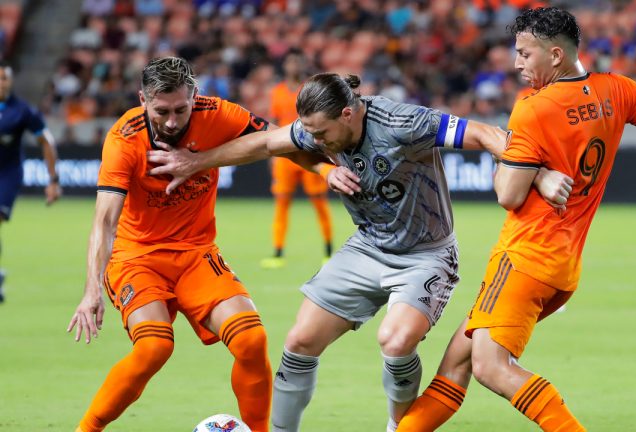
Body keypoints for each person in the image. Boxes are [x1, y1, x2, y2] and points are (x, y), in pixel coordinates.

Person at [146, 72, 573, 432]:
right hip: (367, 246)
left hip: (426, 254)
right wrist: (192, 164)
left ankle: (398, 426)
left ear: (348, 114)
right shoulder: (318, 127)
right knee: (299, 340)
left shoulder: (403, 122)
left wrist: (539, 177)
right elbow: (264, 145)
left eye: (321, 134)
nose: (314, 141)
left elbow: (485, 133)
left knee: (396, 340)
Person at [396, 7, 636, 432]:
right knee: (458, 362)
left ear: (556, 55)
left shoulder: (534, 109)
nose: (517, 63)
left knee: (489, 366)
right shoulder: (617, 90)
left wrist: (527, 169)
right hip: (563, 268)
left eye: (525, 54)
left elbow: (507, 194)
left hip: (523, 258)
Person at [66, 57, 274, 432]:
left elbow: (278, 138)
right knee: (154, 348)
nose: (174, 121)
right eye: (162, 111)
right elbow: (104, 221)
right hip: (136, 257)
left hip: (196, 253)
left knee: (252, 340)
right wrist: (90, 290)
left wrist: (326, 168)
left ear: (195, 95)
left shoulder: (218, 114)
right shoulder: (124, 138)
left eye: (181, 108)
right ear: (142, 99)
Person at [262, 49, 333, 269]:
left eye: (297, 62)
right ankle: (277, 252)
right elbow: (273, 121)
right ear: (285, 66)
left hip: (309, 152)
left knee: (319, 202)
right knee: (282, 203)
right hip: (284, 155)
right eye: (290, 62)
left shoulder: (309, 91)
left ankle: (328, 250)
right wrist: (271, 154)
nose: (293, 66)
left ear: (302, 65)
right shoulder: (277, 92)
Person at [0, 62, 61, 303]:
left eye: (4, 78)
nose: (1, 83)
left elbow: (46, 141)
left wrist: (53, 180)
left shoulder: (22, 111)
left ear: (11, 82)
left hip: (7, 174)